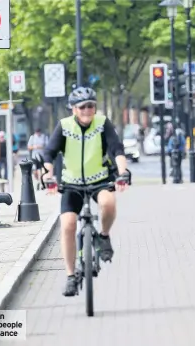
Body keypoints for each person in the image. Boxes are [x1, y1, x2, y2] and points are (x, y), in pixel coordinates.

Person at [42, 87, 130, 297]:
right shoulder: (64, 126)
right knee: (68, 225)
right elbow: (49, 153)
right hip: (71, 184)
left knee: (108, 203)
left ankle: (104, 236)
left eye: (91, 105)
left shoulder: (102, 123)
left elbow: (116, 148)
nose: (87, 110)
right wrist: (47, 175)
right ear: (74, 109)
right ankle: (71, 276)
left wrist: (123, 171)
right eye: (82, 107)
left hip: (99, 180)